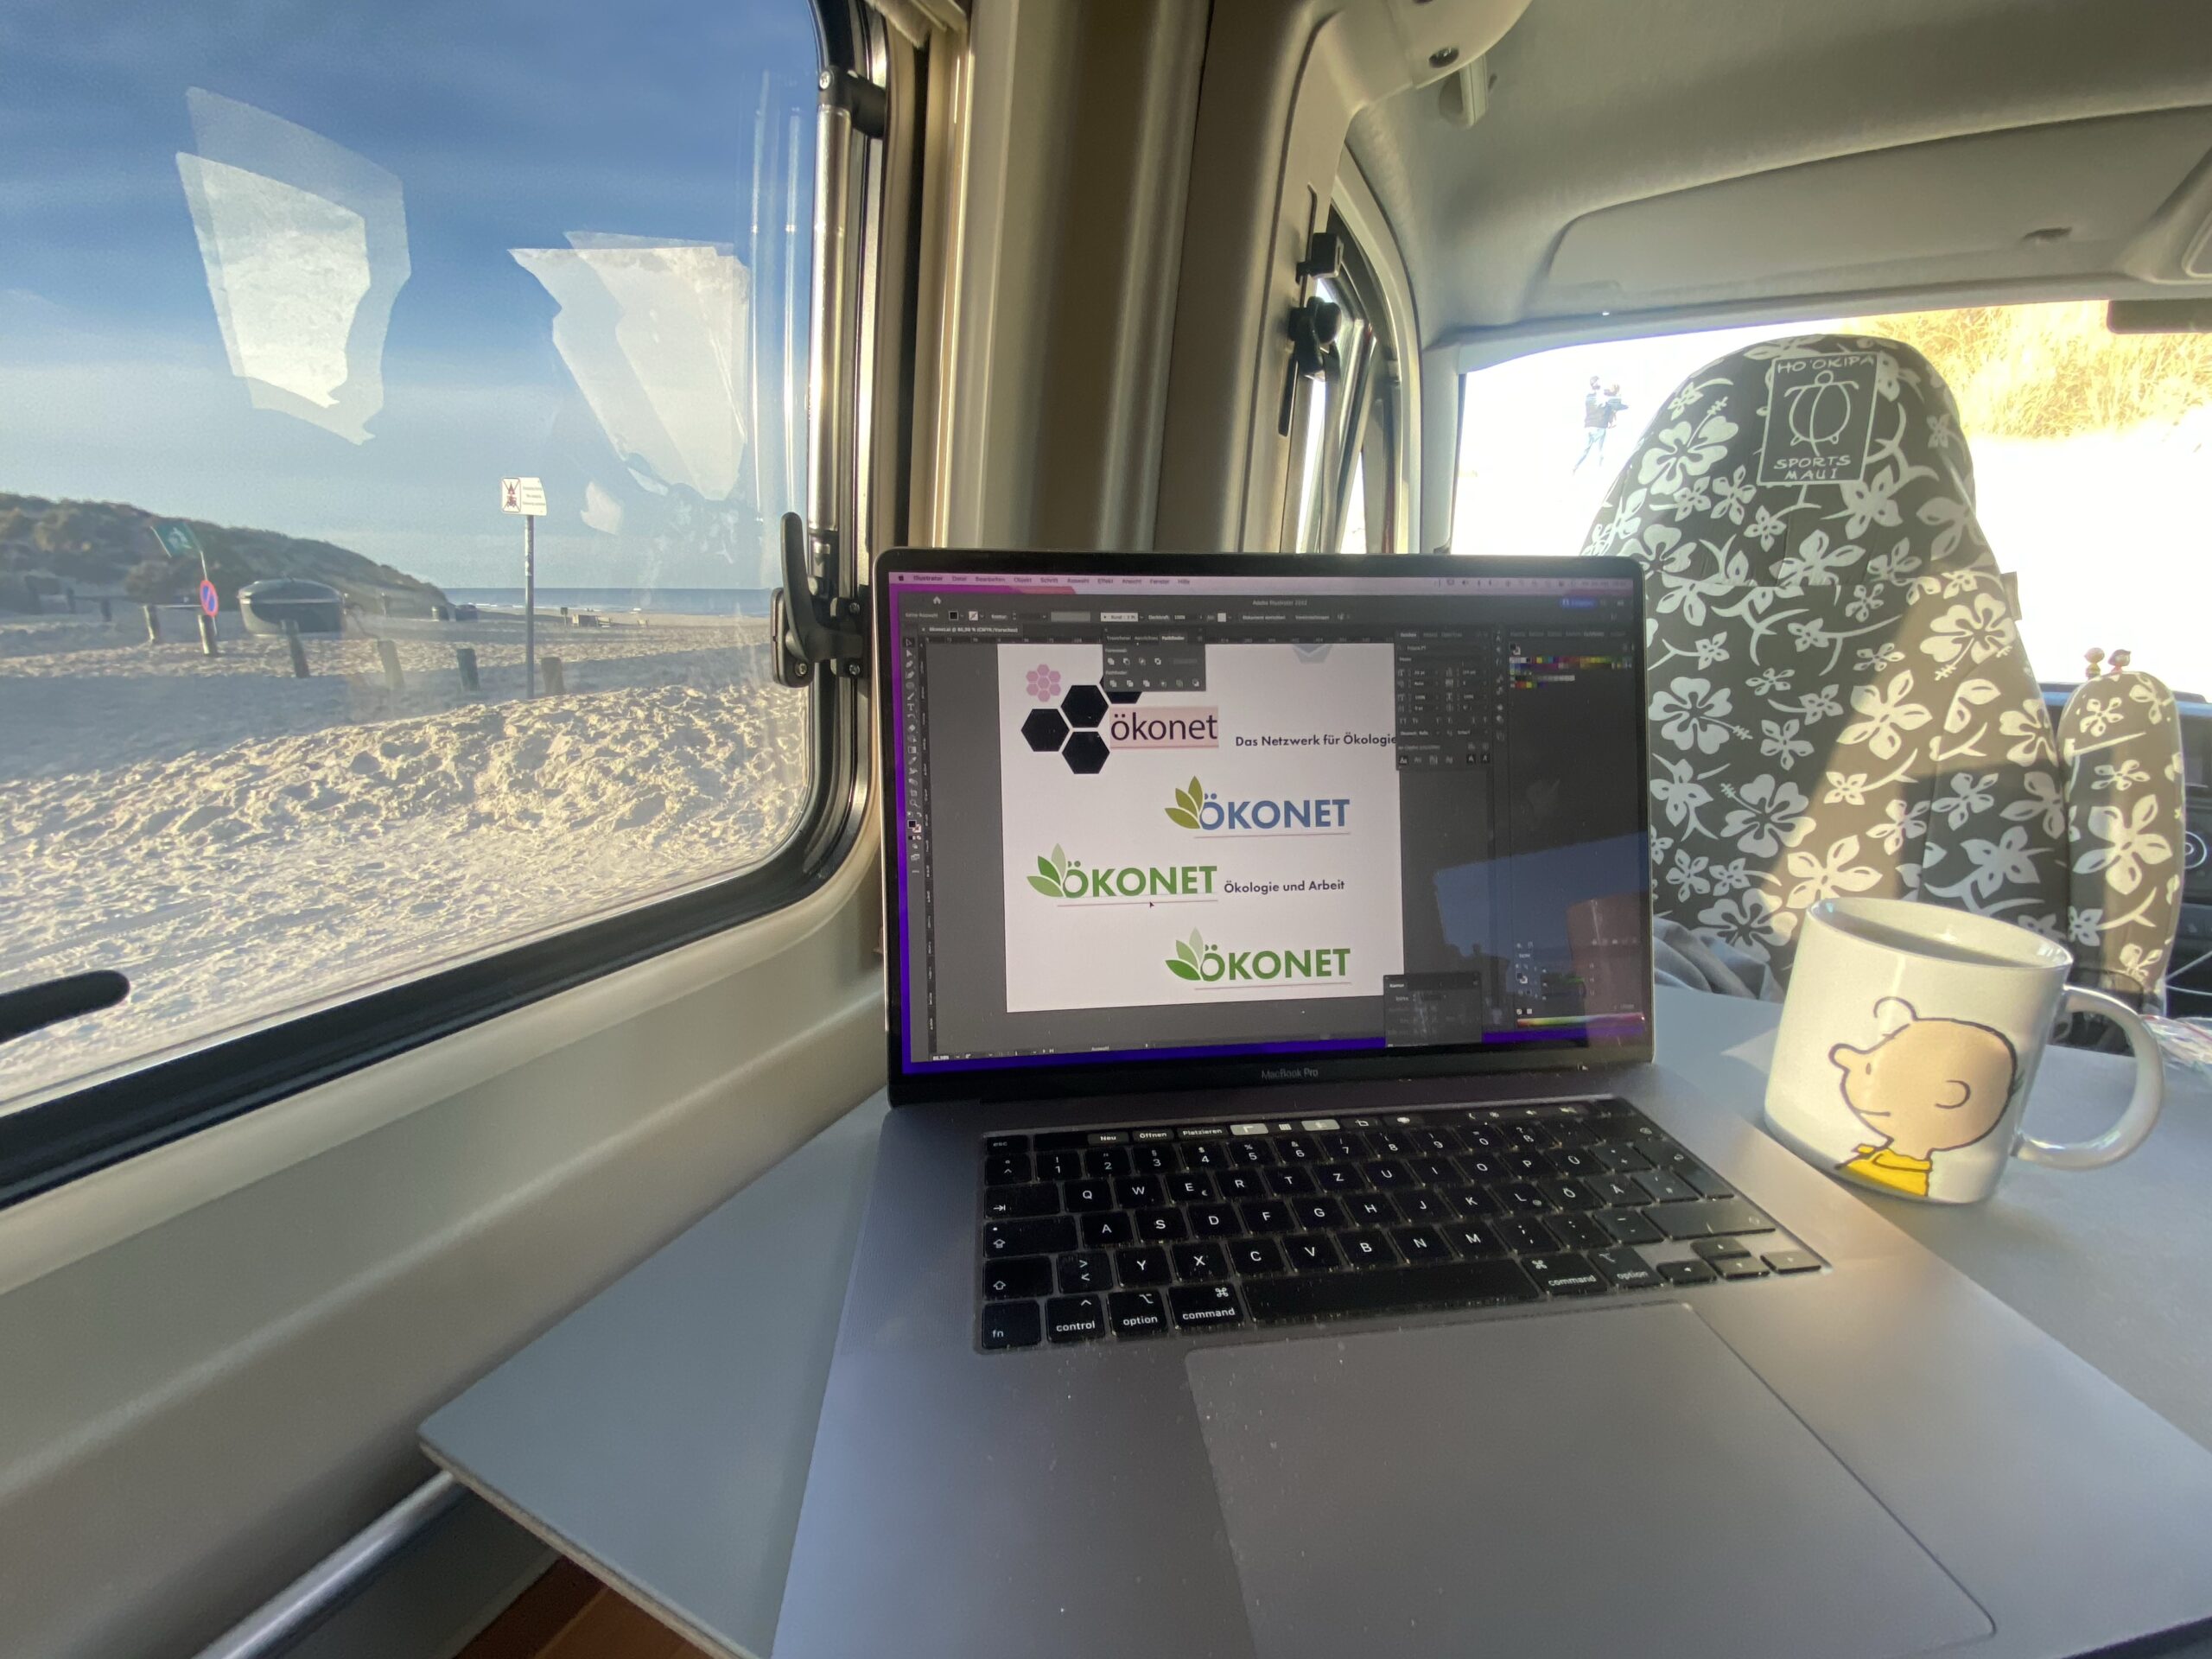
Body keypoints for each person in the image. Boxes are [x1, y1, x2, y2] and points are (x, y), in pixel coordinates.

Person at [1573, 380, 1627, 471]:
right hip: (1599, 426)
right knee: (1600, 442)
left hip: (1589, 426)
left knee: (1586, 449)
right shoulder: (1613, 400)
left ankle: (1576, 466)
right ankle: (1600, 457)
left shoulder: (1602, 395)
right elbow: (1618, 407)